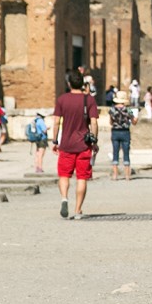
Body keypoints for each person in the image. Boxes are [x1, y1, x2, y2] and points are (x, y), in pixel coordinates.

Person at [50, 70, 99, 220]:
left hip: (66, 144)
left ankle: (64, 198)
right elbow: (94, 122)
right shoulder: (89, 100)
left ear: (69, 83)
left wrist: (54, 141)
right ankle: (78, 210)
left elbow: (57, 121)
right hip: (84, 145)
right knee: (82, 178)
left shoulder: (62, 100)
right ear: (82, 83)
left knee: (64, 175)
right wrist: (94, 140)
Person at [109, 90, 136, 181]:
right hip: (125, 132)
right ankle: (127, 175)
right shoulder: (128, 109)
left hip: (115, 131)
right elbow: (134, 121)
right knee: (126, 153)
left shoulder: (112, 109)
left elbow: (110, 122)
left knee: (115, 152)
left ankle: (115, 175)